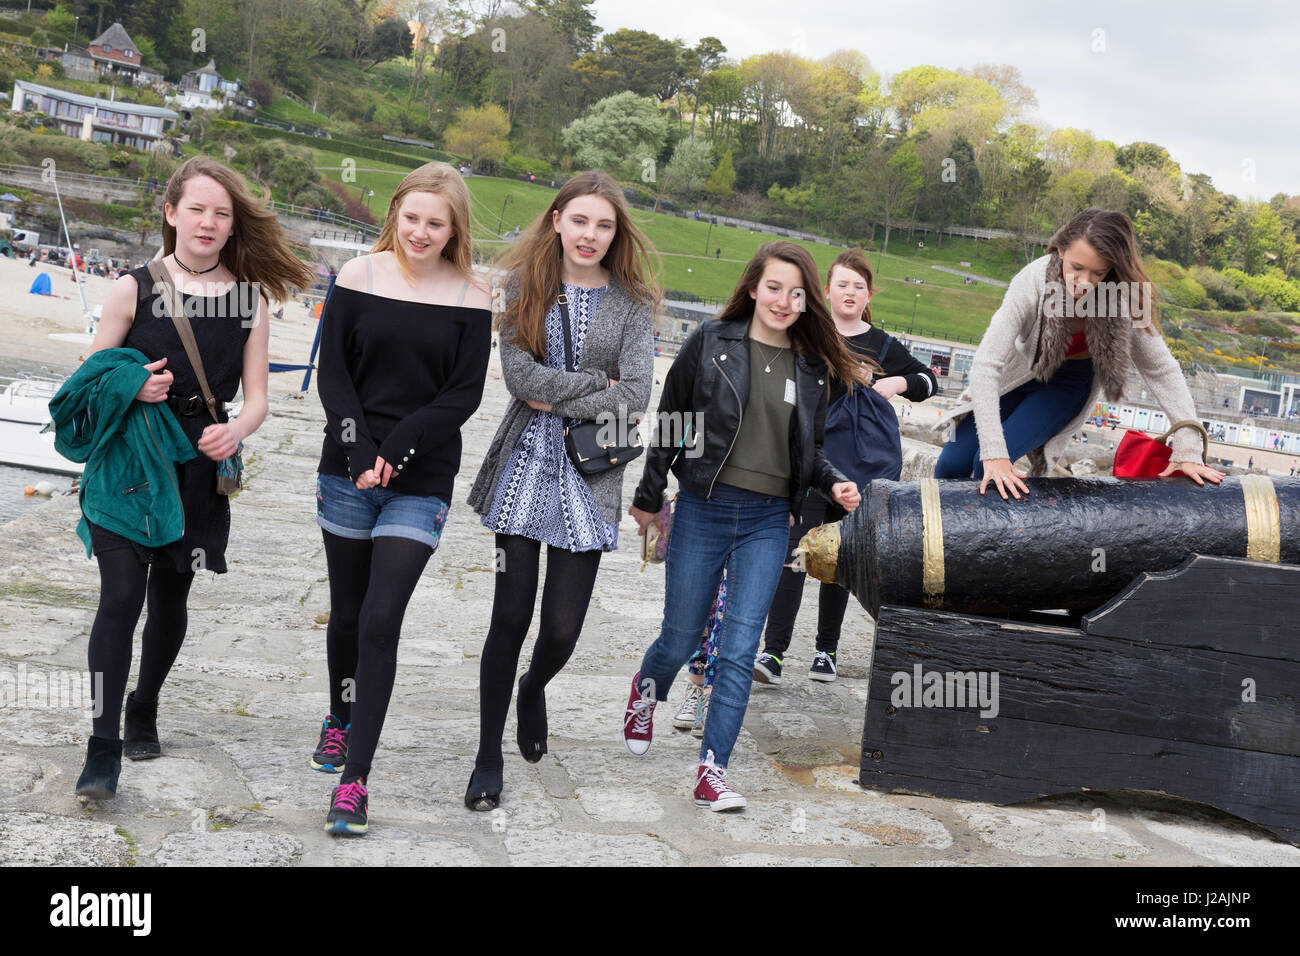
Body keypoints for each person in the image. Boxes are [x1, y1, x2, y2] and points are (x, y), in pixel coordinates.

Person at [68, 156, 313, 799]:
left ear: (234, 227)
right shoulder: (133, 288)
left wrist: (238, 430)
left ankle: (143, 704)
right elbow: (87, 383)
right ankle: (102, 745)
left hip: (198, 466)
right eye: (197, 209)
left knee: (170, 599)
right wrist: (132, 383)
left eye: (222, 213)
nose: (208, 222)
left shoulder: (249, 301)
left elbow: (256, 396)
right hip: (127, 466)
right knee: (120, 597)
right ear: (171, 213)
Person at [624, 240, 864, 811]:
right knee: (681, 637)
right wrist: (649, 495)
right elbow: (672, 423)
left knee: (738, 649)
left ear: (809, 303)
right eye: (774, 287)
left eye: (797, 293)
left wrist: (831, 481)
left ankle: (713, 769)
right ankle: (645, 692)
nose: (784, 301)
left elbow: (811, 449)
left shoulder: (812, 368)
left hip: (766, 522)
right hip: (704, 508)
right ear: (754, 287)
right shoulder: (709, 342)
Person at [464, 170, 660, 811]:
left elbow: (636, 395)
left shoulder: (634, 303)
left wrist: (562, 391)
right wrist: (593, 386)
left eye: (604, 225)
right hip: (523, 467)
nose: (591, 234)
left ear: (615, 233)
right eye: (580, 220)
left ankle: (533, 687)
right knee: (508, 618)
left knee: (563, 629)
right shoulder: (526, 285)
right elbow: (517, 376)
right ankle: (488, 755)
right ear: (557, 221)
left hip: (592, 473)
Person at [314, 162, 492, 836]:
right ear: (396, 215)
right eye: (412, 218)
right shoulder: (357, 277)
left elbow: (462, 395)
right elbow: (333, 374)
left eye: (436, 223)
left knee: (383, 619)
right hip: (346, 470)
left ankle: (354, 783)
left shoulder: (472, 296)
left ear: (454, 229)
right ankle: (339, 716)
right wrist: (362, 452)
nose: (421, 232)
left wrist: (399, 452)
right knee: (350, 614)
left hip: (421, 480)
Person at [933, 209, 1224, 496]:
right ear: (1060, 250)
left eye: (1098, 272)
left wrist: (1188, 447)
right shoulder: (1032, 280)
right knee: (951, 464)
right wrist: (993, 452)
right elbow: (986, 365)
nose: (1084, 282)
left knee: (986, 470)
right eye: (1076, 267)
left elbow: (1161, 370)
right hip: (1018, 373)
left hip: (1066, 385)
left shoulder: (1124, 296)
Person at [755, 248, 937, 686]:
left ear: (869, 293)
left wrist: (891, 381)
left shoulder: (883, 344)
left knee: (839, 562)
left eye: (859, 286)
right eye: (842, 284)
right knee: (795, 557)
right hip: (804, 462)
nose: (850, 292)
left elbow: (930, 382)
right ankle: (773, 653)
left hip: (856, 469)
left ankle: (826, 651)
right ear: (827, 290)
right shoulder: (806, 332)